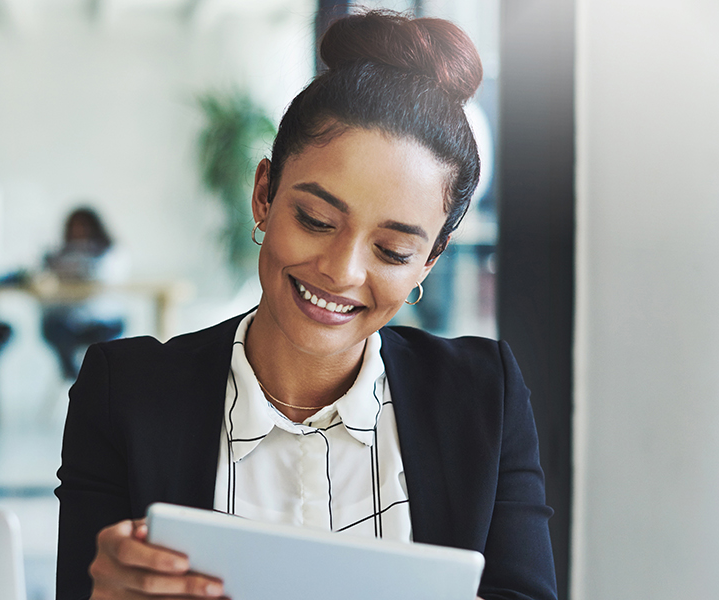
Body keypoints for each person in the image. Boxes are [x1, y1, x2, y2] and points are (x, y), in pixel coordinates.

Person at [54, 11, 556, 600]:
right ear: (263, 195)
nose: (341, 271)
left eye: (393, 251)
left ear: (429, 260)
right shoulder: (124, 394)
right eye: (316, 219)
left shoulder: (485, 397)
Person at [39, 206, 128, 379]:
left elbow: (105, 274)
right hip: (69, 321)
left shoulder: (111, 252)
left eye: (83, 226)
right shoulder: (60, 254)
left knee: (105, 354)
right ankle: (74, 376)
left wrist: (75, 266)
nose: (78, 231)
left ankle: (100, 378)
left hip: (103, 319)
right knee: (54, 329)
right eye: (74, 227)